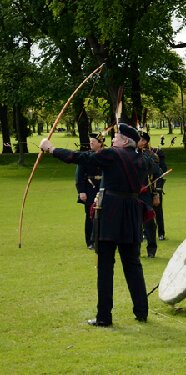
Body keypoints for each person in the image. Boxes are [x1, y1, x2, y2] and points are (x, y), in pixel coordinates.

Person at [40, 123, 152, 327]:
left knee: (105, 266)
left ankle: (104, 317)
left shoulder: (112, 155)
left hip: (111, 214)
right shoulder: (142, 159)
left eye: (116, 137)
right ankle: (142, 311)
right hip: (131, 215)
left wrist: (51, 149)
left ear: (125, 141)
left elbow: (80, 158)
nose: (113, 140)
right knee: (133, 265)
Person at [75, 133, 104, 249]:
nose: (91, 143)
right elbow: (79, 175)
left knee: (104, 215)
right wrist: (81, 191)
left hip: (103, 188)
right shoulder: (85, 156)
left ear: (100, 143)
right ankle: (90, 241)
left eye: (93, 141)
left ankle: (102, 239)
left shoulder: (106, 155)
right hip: (90, 189)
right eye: (90, 141)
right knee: (90, 215)